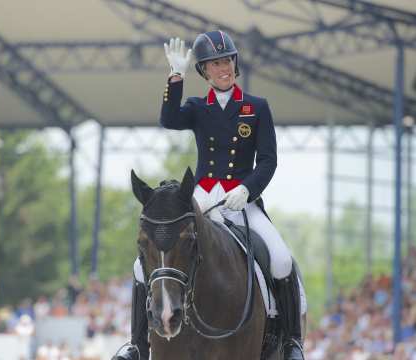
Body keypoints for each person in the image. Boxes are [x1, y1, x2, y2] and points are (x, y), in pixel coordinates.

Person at [112, 30, 306, 360]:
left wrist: (247, 188)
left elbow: (269, 160)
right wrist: (175, 77)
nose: (223, 68)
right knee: (140, 265)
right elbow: (168, 119)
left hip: (242, 201)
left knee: (281, 259)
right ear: (204, 71)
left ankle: (291, 344)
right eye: (215, 64)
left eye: (227, 61)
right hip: (202, 199)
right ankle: (136, 344)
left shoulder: (256, 108)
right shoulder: (198, 108)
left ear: (235, 63)